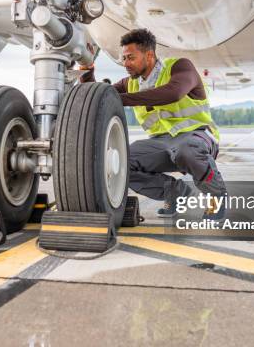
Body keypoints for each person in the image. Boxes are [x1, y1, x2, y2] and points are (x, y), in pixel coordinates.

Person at [80, 28, 227, 218]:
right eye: (123, 58)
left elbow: (173, 93)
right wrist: (86, 68)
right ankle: (174, 192)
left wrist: (123, 99)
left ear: (149, 55)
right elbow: (98, 96)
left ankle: (216, 196)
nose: (125, 63)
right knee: (121, 162)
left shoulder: (180, 67)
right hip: (160, 143)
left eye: (130, 57)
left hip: (197, 136)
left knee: (186, 150)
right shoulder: (130, 83)